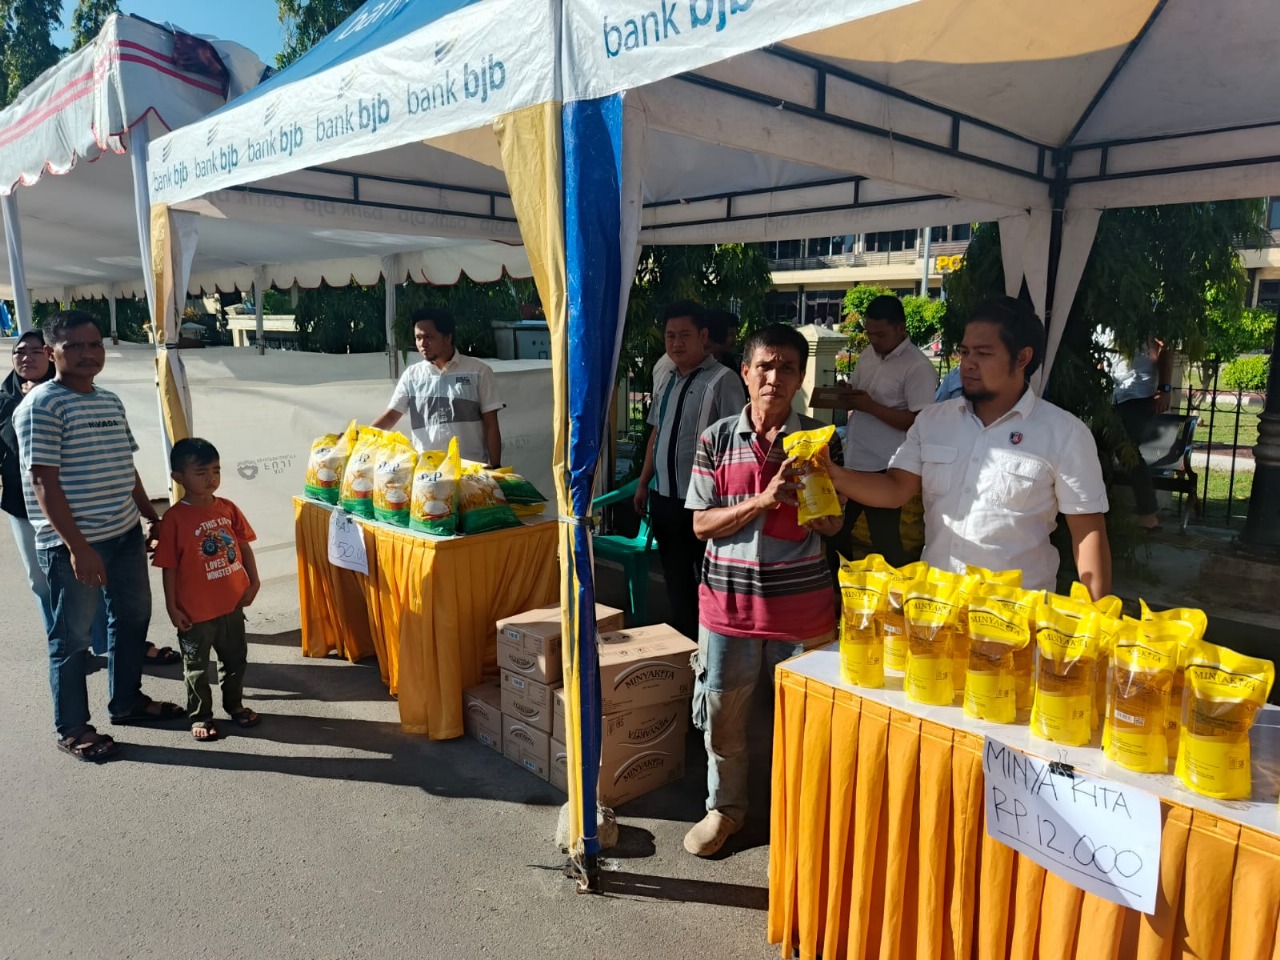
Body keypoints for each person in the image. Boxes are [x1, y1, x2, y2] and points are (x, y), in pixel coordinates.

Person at [822, 297, 1112, 598]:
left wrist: (1099, 615)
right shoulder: (934, 421)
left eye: (983, 353)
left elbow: (1088, 533)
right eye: (964, 352)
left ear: (1022, 358)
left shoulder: (1064, 433)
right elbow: (894, 488)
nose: (968, 363)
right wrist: (832, 473)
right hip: (937, 606)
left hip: (1014, 614)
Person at [682, 323, 844, 857]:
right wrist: (763, 500)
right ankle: (725, 810)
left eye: (788, 368)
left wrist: (813, 503)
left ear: (800, 379)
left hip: (802, 614)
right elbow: (701, 525)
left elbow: (833, 527)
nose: (775, 377)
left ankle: (796, 822)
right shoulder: (716, 438)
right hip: (727, 610)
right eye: (766, 366)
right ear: (746, 373)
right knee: (723, 721)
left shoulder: (821, 439)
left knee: (802, 725)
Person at [14, 310, 183, 762]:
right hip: (75, 545)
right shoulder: (42, 405)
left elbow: (125, 466)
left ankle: (127, 702)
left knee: (132, 621)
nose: (88, 354)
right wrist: (78, 547)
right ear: (51, 353)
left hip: (124, 534)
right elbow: (43, 482)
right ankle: (72, 728)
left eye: (94, 344)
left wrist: (151, 517)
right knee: (71, 640)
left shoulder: (109, 400)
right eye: (74, 346)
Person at [634, 301, 746, 639]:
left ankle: (713, 642)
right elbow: (656, 433)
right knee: (675, 576)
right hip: (665, 496)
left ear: (703, 336)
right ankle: (683, 641)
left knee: (711, 578)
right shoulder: (668, 379)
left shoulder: (723, 380)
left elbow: (737, 442)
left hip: (704, 504)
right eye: (670, 336)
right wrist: (643, 483)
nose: (676, 343)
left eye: (685, 335)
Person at [153, 438, 261, 742]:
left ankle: (235, 705)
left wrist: (254, 581)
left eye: (216, 470)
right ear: (178, 477)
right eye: (201, 473)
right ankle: (200, 715)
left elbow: (243, 546)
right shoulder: (174, 518)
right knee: (197, 668)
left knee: (235, 660)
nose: (211, 478)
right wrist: (172, 606)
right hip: (194, 613)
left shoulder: (227, 508)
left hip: (232, 605)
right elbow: (169, 566)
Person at [829, 295, 937, 567]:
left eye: (880, 334)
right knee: (835, 530)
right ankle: (840, 579)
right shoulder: (868, 354)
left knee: (884, 539)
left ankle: (896, 587)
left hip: (886, 466)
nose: (874, 340)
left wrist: (870, 406)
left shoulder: (918, 367)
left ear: (900, 328)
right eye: (870, 333)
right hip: (854, 458)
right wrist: (846, 394)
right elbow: (859, 395)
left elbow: (921, 423)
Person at [371, 309, 503, 466]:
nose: (422, 344)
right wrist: (359, 437)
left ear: (448, 338)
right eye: (418, 338)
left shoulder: (479, 371)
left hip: (469, 468)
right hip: (427, 471)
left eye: (428, 337)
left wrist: (496, 467)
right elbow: (391, 416)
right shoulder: (412, 376)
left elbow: (491, 424)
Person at [1107, 333, 1172, 530]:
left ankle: (1148, 513)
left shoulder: (1145, 319)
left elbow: (1166, 347)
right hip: (1112, 393)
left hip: (1138, 392)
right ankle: (1104, 508)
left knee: (1127, 450)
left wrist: (1164, 389)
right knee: (1102, 447)